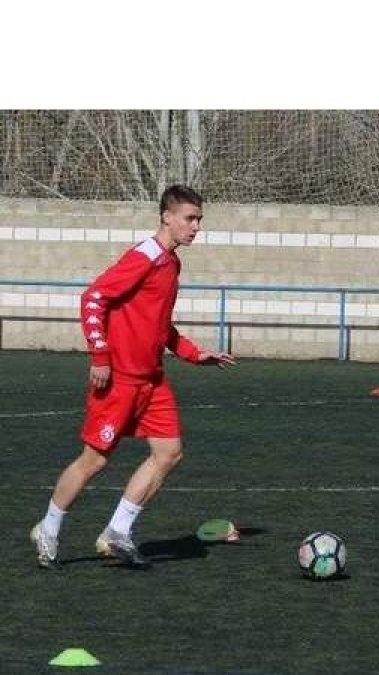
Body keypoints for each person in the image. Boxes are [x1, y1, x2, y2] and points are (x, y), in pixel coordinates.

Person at [30, 185, 235, 569]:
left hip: (152, 381)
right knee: (94, 462)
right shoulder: (145, 257)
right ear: (167, 217)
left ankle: (117, 532)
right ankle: (48, 528)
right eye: (190, 219)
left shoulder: (172, 264)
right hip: (118, 379)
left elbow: (160, 325)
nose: (196, 227)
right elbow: (93, 298)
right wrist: (100, 355)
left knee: (169, 452)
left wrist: (194, 353)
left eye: (199, 220)